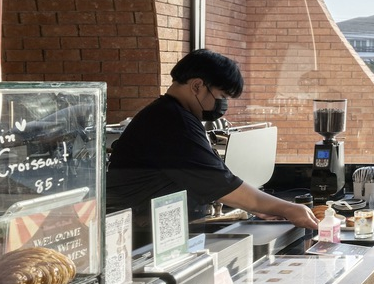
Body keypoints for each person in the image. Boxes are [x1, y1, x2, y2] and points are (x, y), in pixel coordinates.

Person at [107, 49, 318, 243]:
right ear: (197, 86)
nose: (223, 105)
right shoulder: (171, 122)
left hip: (150, 228)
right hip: (137, 235)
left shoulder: (172, 114)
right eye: (222, 96)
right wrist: (288, 208)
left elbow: (215, 179)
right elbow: (219, 183)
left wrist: (261, 206)